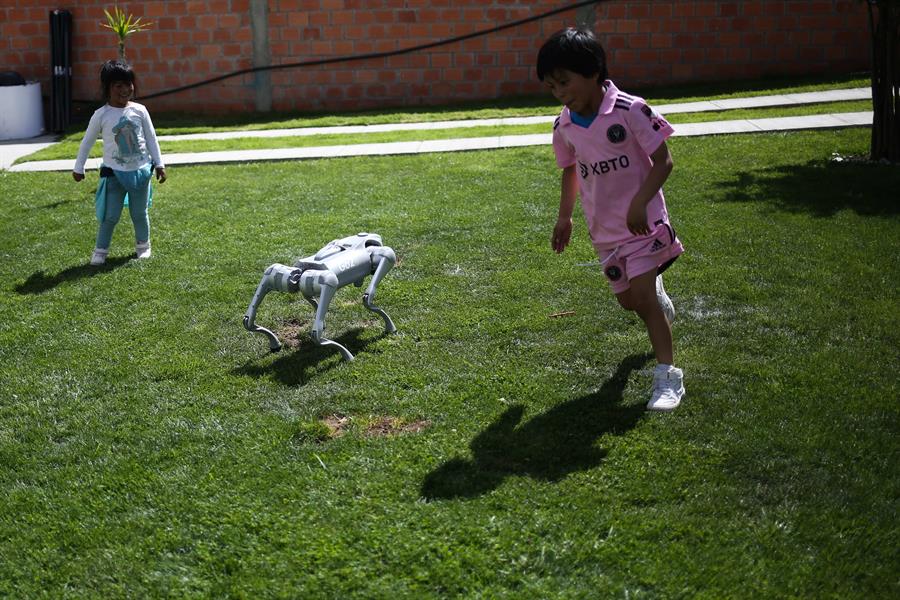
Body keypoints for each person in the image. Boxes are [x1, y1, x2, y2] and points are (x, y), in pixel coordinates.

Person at [537, 28, 685, 411]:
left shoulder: (630, 109)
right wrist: (564, 217)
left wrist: (640, 203)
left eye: (564, 82)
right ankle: (655, 295)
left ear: (593, 72)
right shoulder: (564, 126)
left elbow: (664, 161)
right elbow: (570, 170)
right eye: (552, 86)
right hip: (604, 232)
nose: (559, 92)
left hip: (643, 225)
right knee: (629, 302)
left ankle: (668, 379)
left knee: (645, 303)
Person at [73, 60, 166, 265]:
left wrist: (159, 164)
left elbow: (151, 138)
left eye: (128, 84)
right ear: (107, 88)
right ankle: (100, 250)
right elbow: (87, 142)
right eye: (118, 86)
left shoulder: (140, 111)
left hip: (141, 173)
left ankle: (144, 246)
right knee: (109, 215)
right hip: (114, 174)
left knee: (139, 213)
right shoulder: (101, 115)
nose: (125, 90)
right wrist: (78, 167)